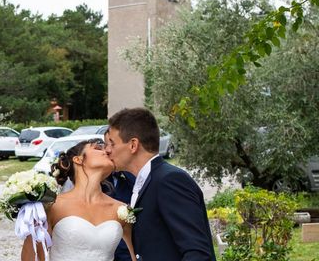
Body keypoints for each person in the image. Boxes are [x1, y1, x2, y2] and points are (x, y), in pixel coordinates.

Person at [105, 108, 216, 261]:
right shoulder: (145, 181)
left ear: (133, 145)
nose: (107, 150)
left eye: (112, 143)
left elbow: (197, 253)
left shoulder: (170, 180)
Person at [21, 139, 136, 261]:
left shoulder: (122, 210)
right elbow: (32, 257)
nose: (107, 151)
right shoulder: (52, 206)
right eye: (98, 148)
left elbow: (137, 256)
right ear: (78, 159)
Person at [104, 170, 136, 261]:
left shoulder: (128, 180)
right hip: (105, 243)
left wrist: (123, 168)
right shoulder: (98, 182)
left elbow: (139, 185)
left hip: (126, 246)